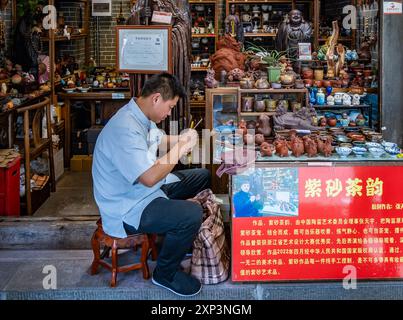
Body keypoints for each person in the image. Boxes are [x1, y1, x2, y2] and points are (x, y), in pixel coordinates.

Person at [92, 73, 211, 297]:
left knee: (202, 176)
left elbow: (161, 140)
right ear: (156, 98)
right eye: (170, 107)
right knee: (191, 213)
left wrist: (187, 138)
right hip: (127, 207)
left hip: (145, 192)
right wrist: (179, 150)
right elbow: (149, 177)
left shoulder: (140, 116)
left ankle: (177, 243)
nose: (169, 113)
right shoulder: (124, 128)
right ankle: (165, 274)